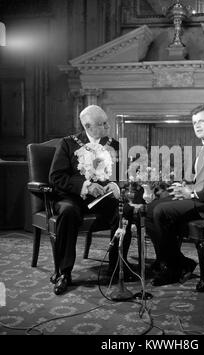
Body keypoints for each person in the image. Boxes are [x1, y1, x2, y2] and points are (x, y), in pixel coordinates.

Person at [145, 104, 204, 286]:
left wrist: (193, 192)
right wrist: (183, 186)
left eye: (202, 121)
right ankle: (176, 262)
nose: (197, 126)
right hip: (197, 198)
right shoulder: (203, 146)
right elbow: (198, 178)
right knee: (151, 207)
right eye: (194, 122)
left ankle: (171, 268)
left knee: (161, 212)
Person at [49, 104, 135, 295]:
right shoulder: (68, 143)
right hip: (73, 199)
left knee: (125, 210)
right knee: (68, 211)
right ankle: (64, 272)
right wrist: (85, 185)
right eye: (102, 124)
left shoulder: (114, 145)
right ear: (88, 126)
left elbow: (121, 176)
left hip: (103, 199)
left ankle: (116, 268)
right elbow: (56, 177)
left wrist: (113, 185)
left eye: (107, 122)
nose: (108, 127)